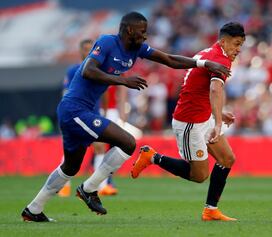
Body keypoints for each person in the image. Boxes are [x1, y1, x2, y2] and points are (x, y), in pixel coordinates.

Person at [21, 11, 230, 222]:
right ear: (129, 30)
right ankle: (89, 189)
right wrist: (122, 81)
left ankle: (34, 209)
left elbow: (168, 59)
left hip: (82, 112)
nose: (145, 36)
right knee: (128, 142)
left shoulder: (137, 48)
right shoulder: (107, 42)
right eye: (142, 31)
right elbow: (88, 71)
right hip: (74, 110)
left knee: (70, 167)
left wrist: (203, 64)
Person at [131, 22, 245, 221]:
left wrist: (217, 112)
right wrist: (218, 122)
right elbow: (214, 90)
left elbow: (198, 88)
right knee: (199, 175)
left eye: (240, 45)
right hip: (189, 121)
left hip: (202, 115)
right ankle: (152, 157)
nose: (238, 50)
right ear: (224, 41)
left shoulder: (209, 52)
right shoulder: (220, 59)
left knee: (227, 159)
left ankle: (210, 210)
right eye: (236, 44)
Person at [58, 39, 118, 197]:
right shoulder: (73, 70)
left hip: (94, 114)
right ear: (80, 51)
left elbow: (104, 92)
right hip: (76, 114)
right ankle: (64, 185)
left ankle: (102, 186)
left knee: (100, 147)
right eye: (85, 49)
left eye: (90, 49)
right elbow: (66, 93)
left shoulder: (100, 69)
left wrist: (104, 112)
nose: (87, 52)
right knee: (71, 150)